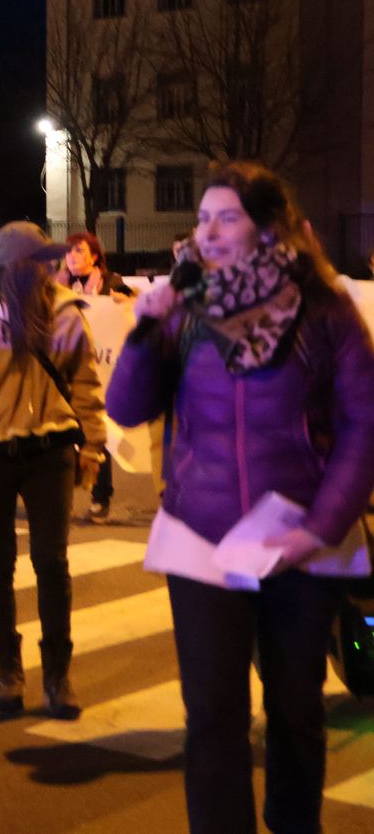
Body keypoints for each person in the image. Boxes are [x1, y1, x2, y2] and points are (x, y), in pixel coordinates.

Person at [106, 163, 374, 834]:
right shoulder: (183, 306)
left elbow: (364, 423)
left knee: (296, 712)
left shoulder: (325, 307)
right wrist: (143, 330)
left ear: (269, 228)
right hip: (202, 538)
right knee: (212, 717)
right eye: (203, 218)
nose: (209, 232)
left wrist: (320, 527)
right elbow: (128, 407)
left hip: (297, 543)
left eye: (227, 217)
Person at [0, 221, 107, 721]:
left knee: (51, 562)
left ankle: (57, 676)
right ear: (15, 267)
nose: (51, 268)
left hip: (50, 451)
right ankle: (8, 672)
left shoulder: (65, 312)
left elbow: (85, 383)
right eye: (41, 261)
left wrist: (93, 448)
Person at [53, 231, 134, 522]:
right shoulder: (55, 286)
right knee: (61, 434)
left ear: (94, 256)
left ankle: (101, 497)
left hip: (100, 371)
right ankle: (59, 497)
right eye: (69, 252)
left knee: (98, 432)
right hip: (64, 369)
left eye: (79, 251)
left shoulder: (111, 283)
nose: (72, 257)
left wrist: (123, 300)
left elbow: (132, 304)